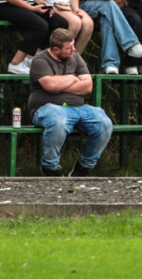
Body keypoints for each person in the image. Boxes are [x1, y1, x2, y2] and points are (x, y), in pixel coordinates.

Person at [29, 28, 112, 177]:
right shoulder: (40, 61)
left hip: (78, 107)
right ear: (56, 49)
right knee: (58, 121)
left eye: (73, 45)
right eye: (69, 47)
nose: (74, 49)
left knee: (104, 123)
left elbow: (88, 86)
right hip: (47, 109)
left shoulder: (75, 57)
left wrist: (61, 83)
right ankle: (50, 167)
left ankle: (83, 167)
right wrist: (73, 78)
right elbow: (51, 86)